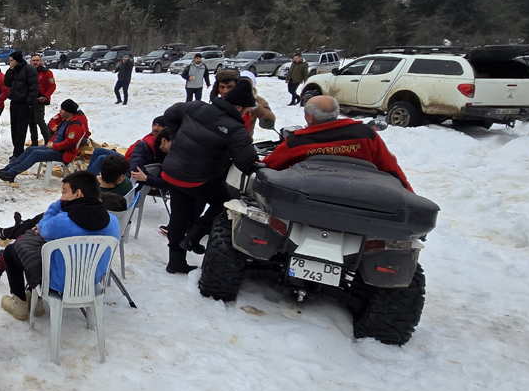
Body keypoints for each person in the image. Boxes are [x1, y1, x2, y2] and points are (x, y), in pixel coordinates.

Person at [160, 79, 259, 274]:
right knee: (226, 201)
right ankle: (196, 234)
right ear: (238, 107)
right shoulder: (236, 129)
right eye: (247, 110)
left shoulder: (196, 107)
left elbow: (169, 114)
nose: (247, 113)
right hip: (197, 179)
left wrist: (176, 137)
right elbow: (246, 163)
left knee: (179, 214)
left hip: (172, 172)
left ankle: (176, 261)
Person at [0, 171, 119, 321]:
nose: (62, 197)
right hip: (91, 281)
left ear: (78, 194)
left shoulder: (63, 222)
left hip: (60, 283)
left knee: (12, 251)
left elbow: (42, 226)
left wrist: (59, 204)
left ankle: (20, 304)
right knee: (38, 254)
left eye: (64, 192)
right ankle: (36, 301)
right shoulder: (113, 222)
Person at [263, 95, 412, 189]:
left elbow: (270, 166)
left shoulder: (296, 142)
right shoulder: (365, 134)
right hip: (360, 196)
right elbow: (390, 167)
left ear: (309, 118)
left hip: (311, 197)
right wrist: (409, 195)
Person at [0, 99, 88, 183]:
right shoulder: (65, 120)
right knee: (30, 149)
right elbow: (53, 124)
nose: (60, 111)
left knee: (36, 154)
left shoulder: (76, 125)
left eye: (62, 109)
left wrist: (54, 146)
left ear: (68, 112)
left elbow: (69, 143)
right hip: (55, 147)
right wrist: (52, 142)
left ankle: (11, 174)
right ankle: (7, 169)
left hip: (63, 152)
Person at [3, 50, 40, 159]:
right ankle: (16, 150)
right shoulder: (13, 70)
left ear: (16, 60)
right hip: (14, 101)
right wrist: (10, 69)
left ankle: (18, 153)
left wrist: (29, 102)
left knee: (21, 129)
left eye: (11, 61)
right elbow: (7, 83)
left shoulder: (29, 69)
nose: (10, 63)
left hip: (24, 103)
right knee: (14, 128)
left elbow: (34, 88)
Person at [30, 53, 56, 144]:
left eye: (37, 60)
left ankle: (47, 140)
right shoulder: (28, 71)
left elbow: (52, 86)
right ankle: (34, 143)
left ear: (40, 61)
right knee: (31, 123)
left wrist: (45, 96)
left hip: (40, 100)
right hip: (29, 100)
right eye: (33, 60)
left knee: (40, 121)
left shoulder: (46, 72)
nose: (35, 62)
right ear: (30, 61)